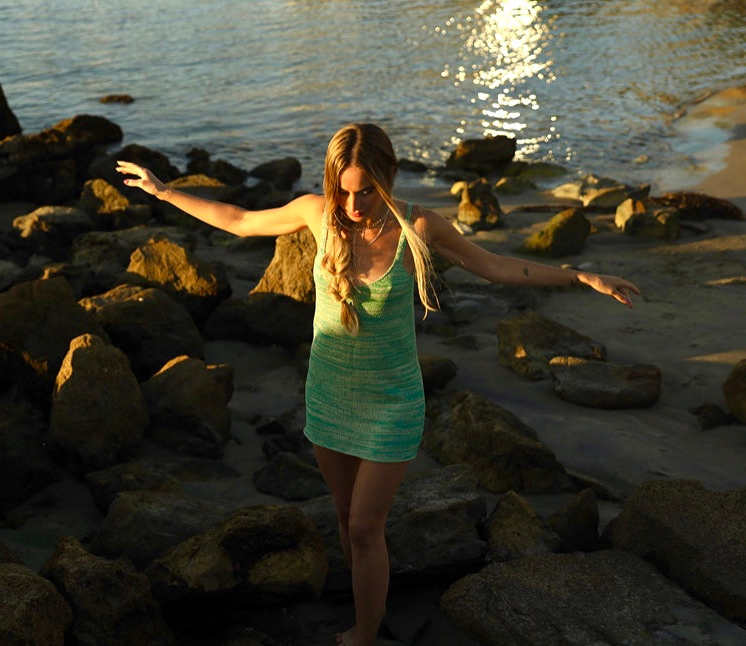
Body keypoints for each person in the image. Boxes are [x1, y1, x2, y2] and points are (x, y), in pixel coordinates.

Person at [116, 123, 639, 646]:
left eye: (366, 189)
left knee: (366, 527)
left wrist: (578, 276)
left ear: (386, 178)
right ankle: (365, 606)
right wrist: (164, 191)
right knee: (347, 521)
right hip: (328, 393)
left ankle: (365, 635)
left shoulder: (419, 226)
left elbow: (497, 266)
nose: (355, 202)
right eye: (344, 189)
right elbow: (239, 220)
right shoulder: (318, 214)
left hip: (392, 402)